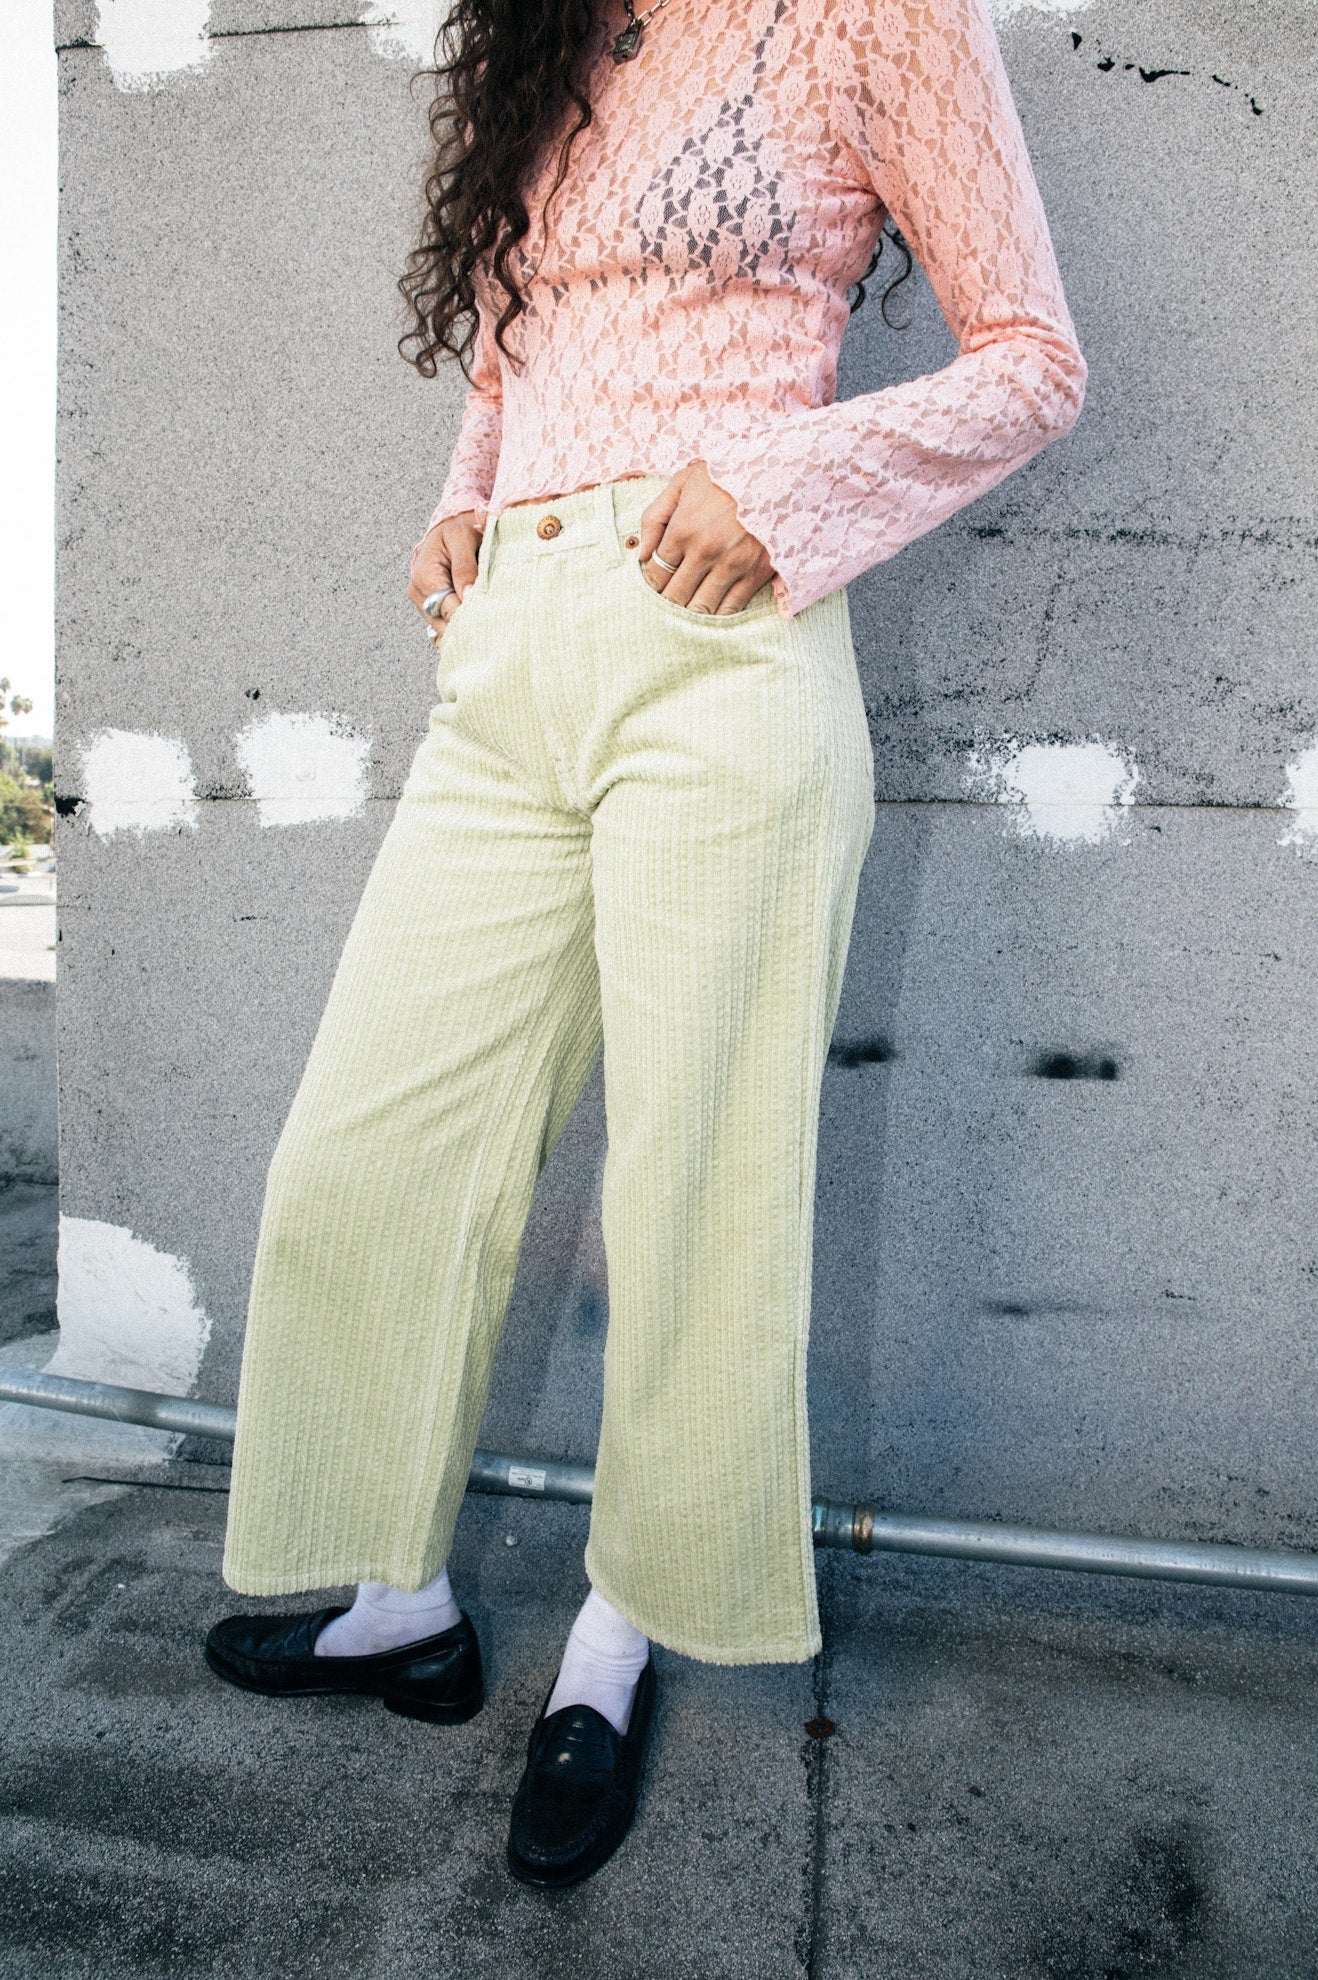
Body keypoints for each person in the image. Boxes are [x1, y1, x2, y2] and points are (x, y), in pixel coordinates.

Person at [203, 0, 1085, 1888]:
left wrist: (776, 488)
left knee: (696, 1187)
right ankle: (398, 1602)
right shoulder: (548, 45)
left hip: (722, 659)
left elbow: (1031, 363)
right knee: (369, 1153)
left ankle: (615, 1645)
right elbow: (519, 363)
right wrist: (461, 512)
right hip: (510, 668)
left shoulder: (869, 15)